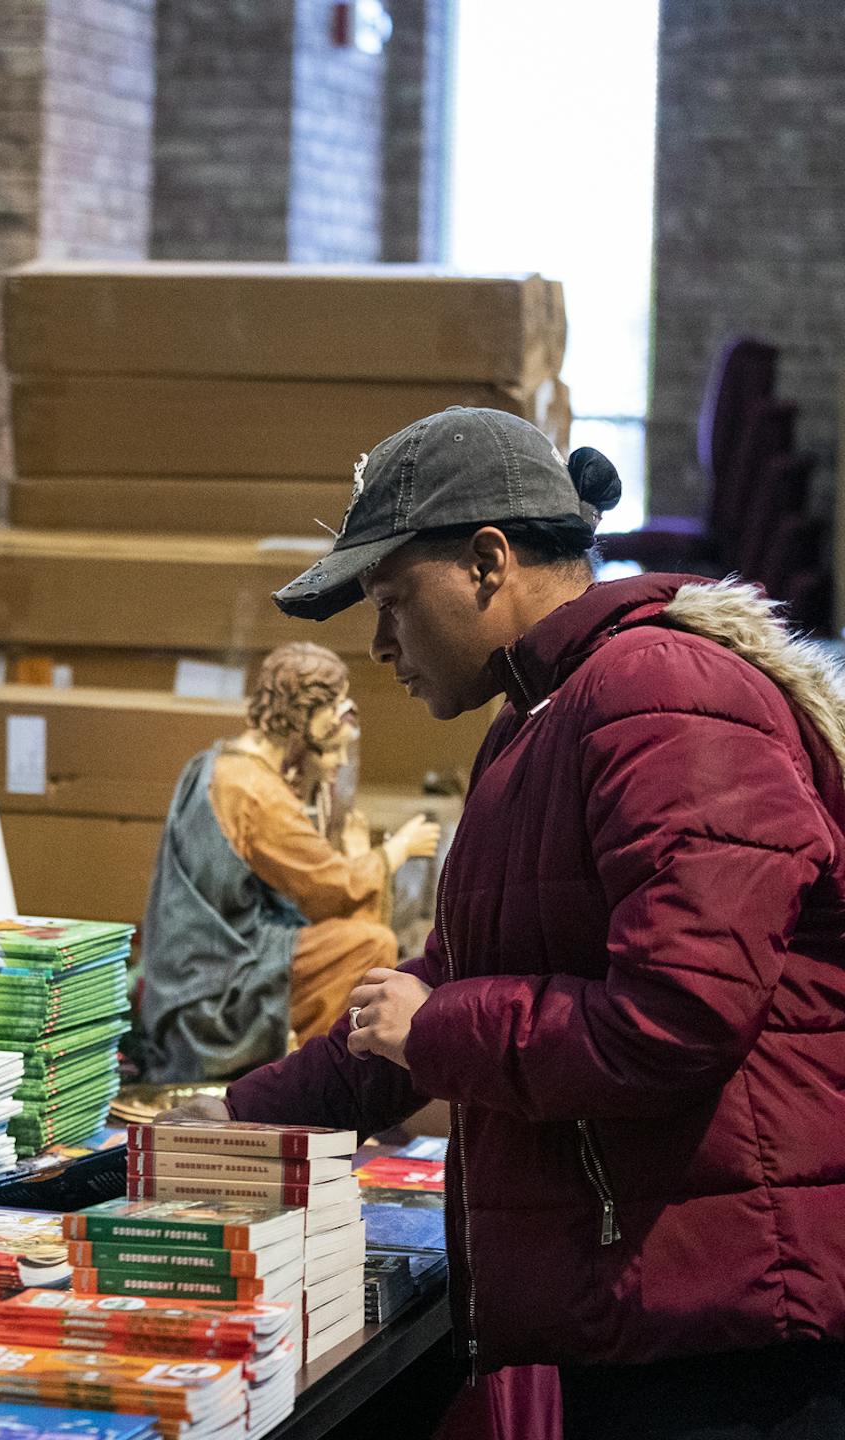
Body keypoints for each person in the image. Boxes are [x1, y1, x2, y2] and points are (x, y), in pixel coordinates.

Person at [169, 406, 845, 1438]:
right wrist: (239, 1113)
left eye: (394, 599)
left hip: (733, 1346)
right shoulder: (543, 718)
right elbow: (441, 981)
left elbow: (678, 1016)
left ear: (488, 562)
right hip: (651, 1308)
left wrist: (435, 1031)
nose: (381, 643)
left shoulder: (659, 693)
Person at [139, 641, 442, 1081]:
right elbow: (328, 886)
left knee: (350, 937)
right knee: (366, 944)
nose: (335, 757)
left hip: (209, 960)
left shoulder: (218, 763)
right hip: (213, 984)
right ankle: (320, 1080)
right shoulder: (253, 789)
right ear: (311, 715)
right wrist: (393, 852)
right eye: (331, 720)